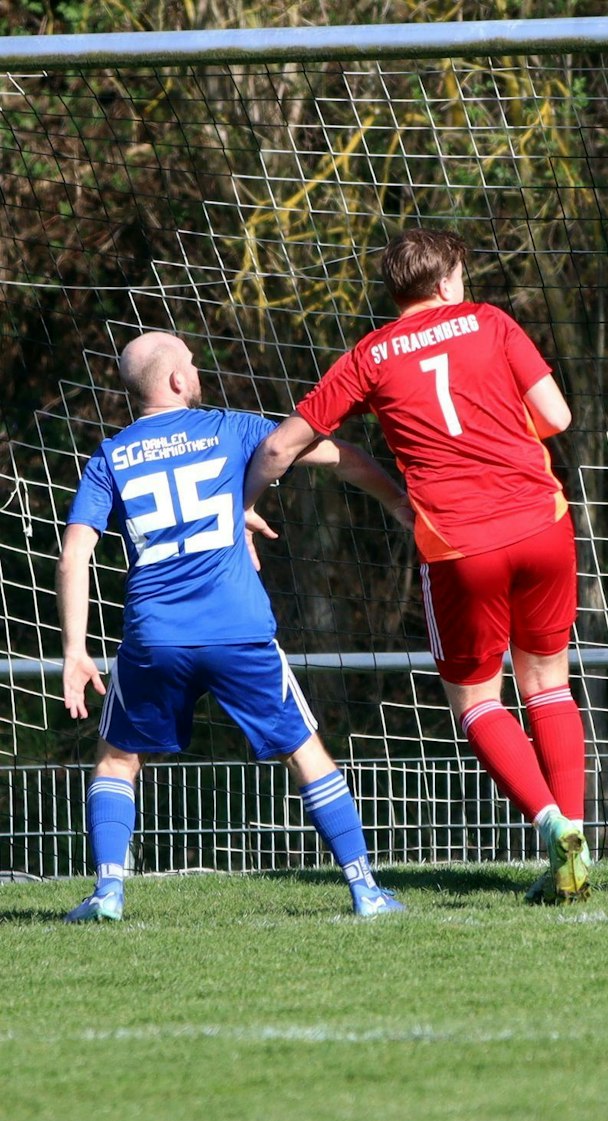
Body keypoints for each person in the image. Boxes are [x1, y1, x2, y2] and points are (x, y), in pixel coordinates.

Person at [247, 229, 593, 905]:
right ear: (445, 283)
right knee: (549, 683)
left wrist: (244, 507)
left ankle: (551, 826)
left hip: (461, 545)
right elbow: (556, 416)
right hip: (542, 523)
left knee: (477, 699)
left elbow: (280, 447)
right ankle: (574, 833)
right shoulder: (490, 322)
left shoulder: (370, 355)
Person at [59, 332, 409, 922]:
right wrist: (395, 498)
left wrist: (75, 649)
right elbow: (337, 455)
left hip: (156, 636)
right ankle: (365, 890)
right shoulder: (230, 428)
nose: (197, 370)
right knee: (304, 751)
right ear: (177, 381)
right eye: (192, 363)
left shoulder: (109, 457)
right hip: (236, 628)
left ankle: (109, 893)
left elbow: (75, 555)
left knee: (118, 758)